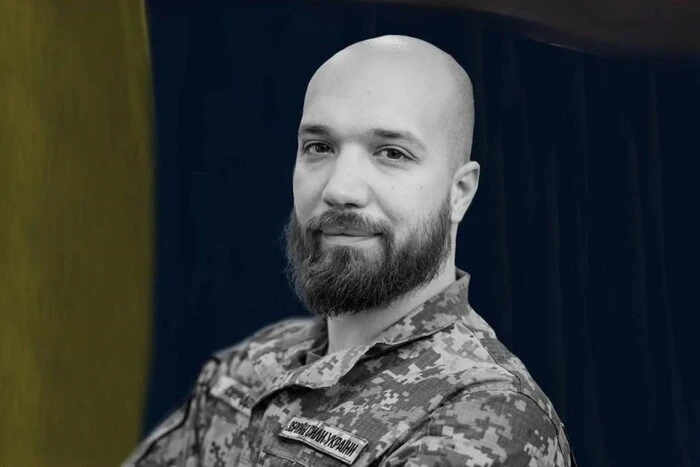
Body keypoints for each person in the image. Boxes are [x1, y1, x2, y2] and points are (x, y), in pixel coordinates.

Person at [123, 35, 574, 466]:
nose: (340, 189)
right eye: (319, 147)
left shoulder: (486, 414)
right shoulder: (252, 364)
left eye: (391, 153)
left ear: (460, 192)